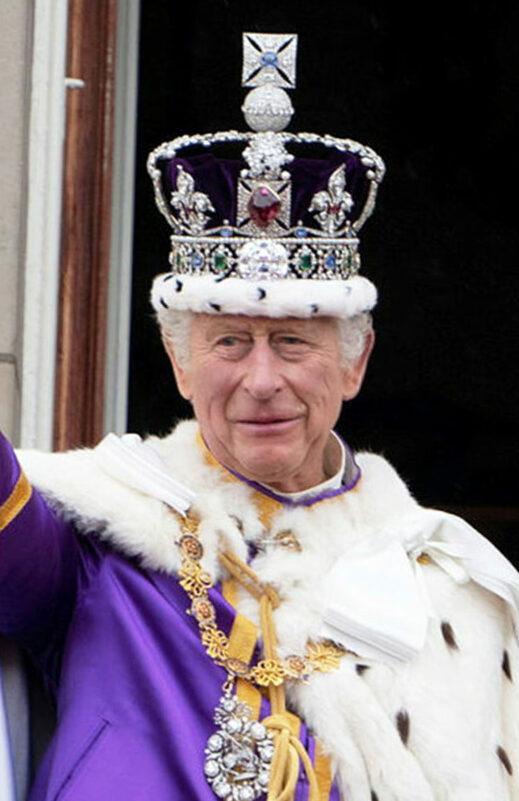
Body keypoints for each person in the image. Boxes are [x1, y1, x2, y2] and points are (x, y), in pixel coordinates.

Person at [1, 32, 519, 801]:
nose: (261, 379)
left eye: (291, 341)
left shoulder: (450, 587)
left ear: (355, 360)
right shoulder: (100, 535)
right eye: (230, 342)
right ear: (178, 361)